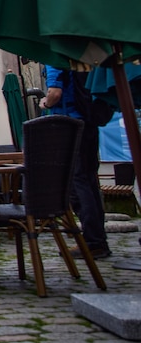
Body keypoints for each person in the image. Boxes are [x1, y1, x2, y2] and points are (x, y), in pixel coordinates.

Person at [43, 65, 110, 259]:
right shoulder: (79, 56)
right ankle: (99, 239)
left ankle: (92, 242)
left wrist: (45, 104)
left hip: (68, 124)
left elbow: (55, 93)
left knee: (77, 183)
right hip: (89, 122)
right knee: (90, 181)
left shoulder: (55, 58)